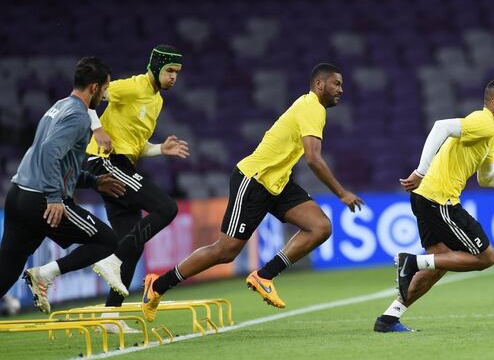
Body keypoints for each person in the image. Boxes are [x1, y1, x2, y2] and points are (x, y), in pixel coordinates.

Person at [140, 63, 364, 322]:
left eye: (342, 85)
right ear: (319, 84)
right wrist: (341, 193)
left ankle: (264, 275)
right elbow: (313, 159)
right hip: (255, 179)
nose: (341, 90)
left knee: (320, 227)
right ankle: (156, 286)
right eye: (337, 84)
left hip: (277, 182)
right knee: (224, 251)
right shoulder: (312, 106)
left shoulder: (312, 107)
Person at [373, 79, 494, 332]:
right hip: (439, 199)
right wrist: (421, 170)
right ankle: (411, 262)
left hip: (426, 198)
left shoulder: (489, 133)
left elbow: (486, 178)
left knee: (441, 263)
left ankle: (388, 319)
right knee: (485, 257)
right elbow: (440, 127)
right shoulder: (483, 122)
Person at [0, 57, 126, 313]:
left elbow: (60, 163)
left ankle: (38, 275)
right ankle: (43, 275)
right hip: (42, 201)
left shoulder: (58, 107)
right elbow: (49, 153)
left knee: (6, 270)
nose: (105, 95)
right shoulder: (79, 117)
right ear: (93, 88)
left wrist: (92, 181)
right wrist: (55, 198)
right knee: (107, 241)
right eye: (105, 89)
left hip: (19, 196)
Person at [83, 45, 189, 331]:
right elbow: (88, 94)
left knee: (134, 245)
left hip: (123, 162)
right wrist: (97, 129)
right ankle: (112, 260)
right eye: (169, 71)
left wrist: (159, 150)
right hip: (106, 162)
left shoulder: (156, 102)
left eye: (177, 73)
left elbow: (136, 146)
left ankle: (109, 318)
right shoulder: (132, 86)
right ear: (155, 67)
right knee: (167, 208)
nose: (173, 77)